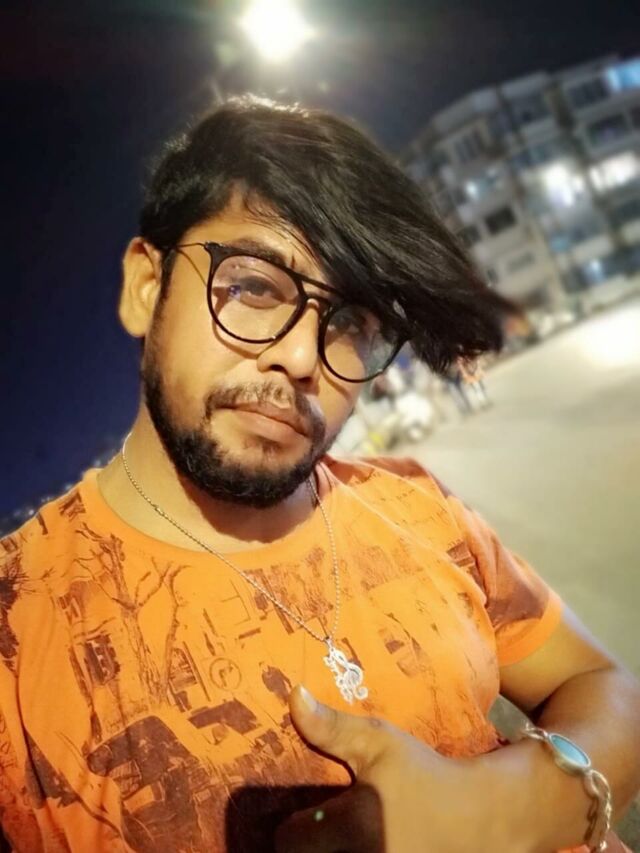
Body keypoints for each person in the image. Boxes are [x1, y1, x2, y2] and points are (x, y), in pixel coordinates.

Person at [1, 97, 639, 853]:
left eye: (350, 323)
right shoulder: (19, 629)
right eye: (255, 287)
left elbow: (603, 685)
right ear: (147, 285)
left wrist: (509, 808)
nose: (302, 358)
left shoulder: (413, 503)